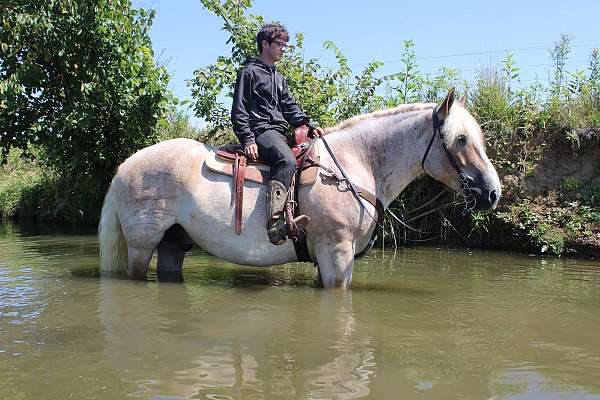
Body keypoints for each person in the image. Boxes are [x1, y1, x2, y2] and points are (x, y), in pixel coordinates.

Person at [231, 22, 324, 245]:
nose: (284, 49)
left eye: (285, 45)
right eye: (280, 44)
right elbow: (239, 110)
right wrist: (248, 138)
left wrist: (309, 124)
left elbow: (290, 107)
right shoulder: (249, 72)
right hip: (261, 130)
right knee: (286, 160)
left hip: (279, 132)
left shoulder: (279, 78)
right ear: (265, 44)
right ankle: (274, 223)